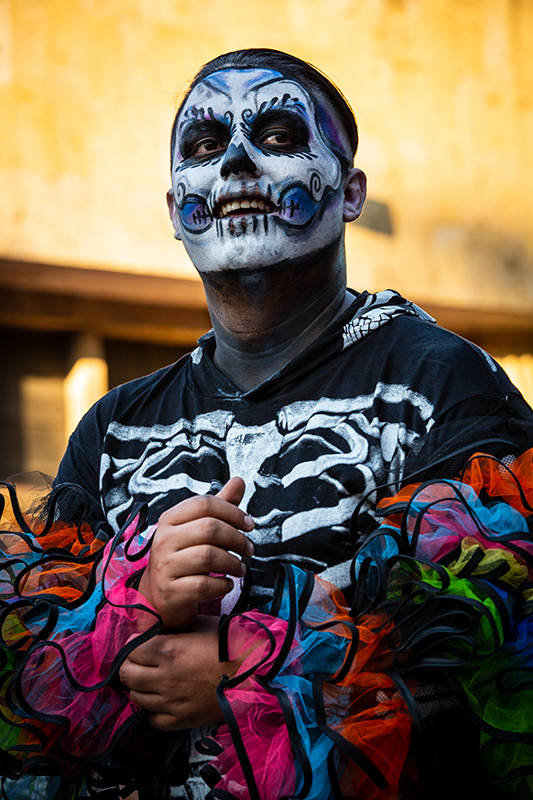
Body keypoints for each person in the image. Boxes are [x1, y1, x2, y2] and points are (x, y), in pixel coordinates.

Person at [3, 48, 533, 800]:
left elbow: (500, 662)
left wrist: (252, 675)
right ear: (174, 208)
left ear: (349, 193)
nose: (237, 167)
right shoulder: (111, 428)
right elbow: (38, 702)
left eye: (280, 136)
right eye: (205, 146)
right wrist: (132, 604)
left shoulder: (440, 380)